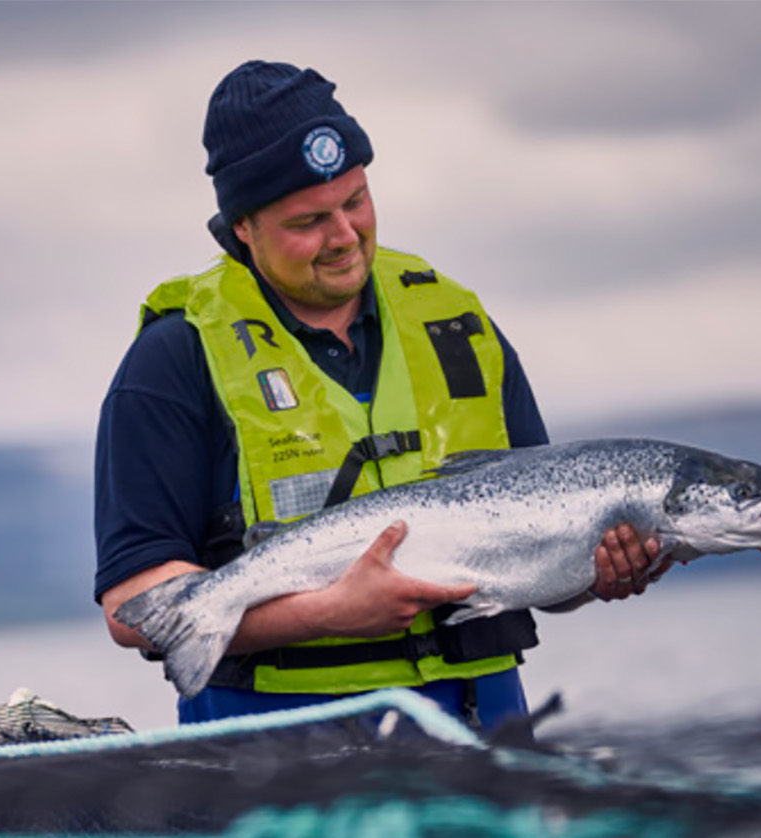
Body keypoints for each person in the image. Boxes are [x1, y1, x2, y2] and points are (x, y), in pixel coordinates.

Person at [94, 61, 666, 730]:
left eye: (356, 201)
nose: (344, 237)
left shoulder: (457, 323)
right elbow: (133, 606)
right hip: (278, 756)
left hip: (483, 728)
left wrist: (597, 572)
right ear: (242, 227)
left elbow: (539, 566)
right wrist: (328, 614)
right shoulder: (174, 359)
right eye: (309, 220)